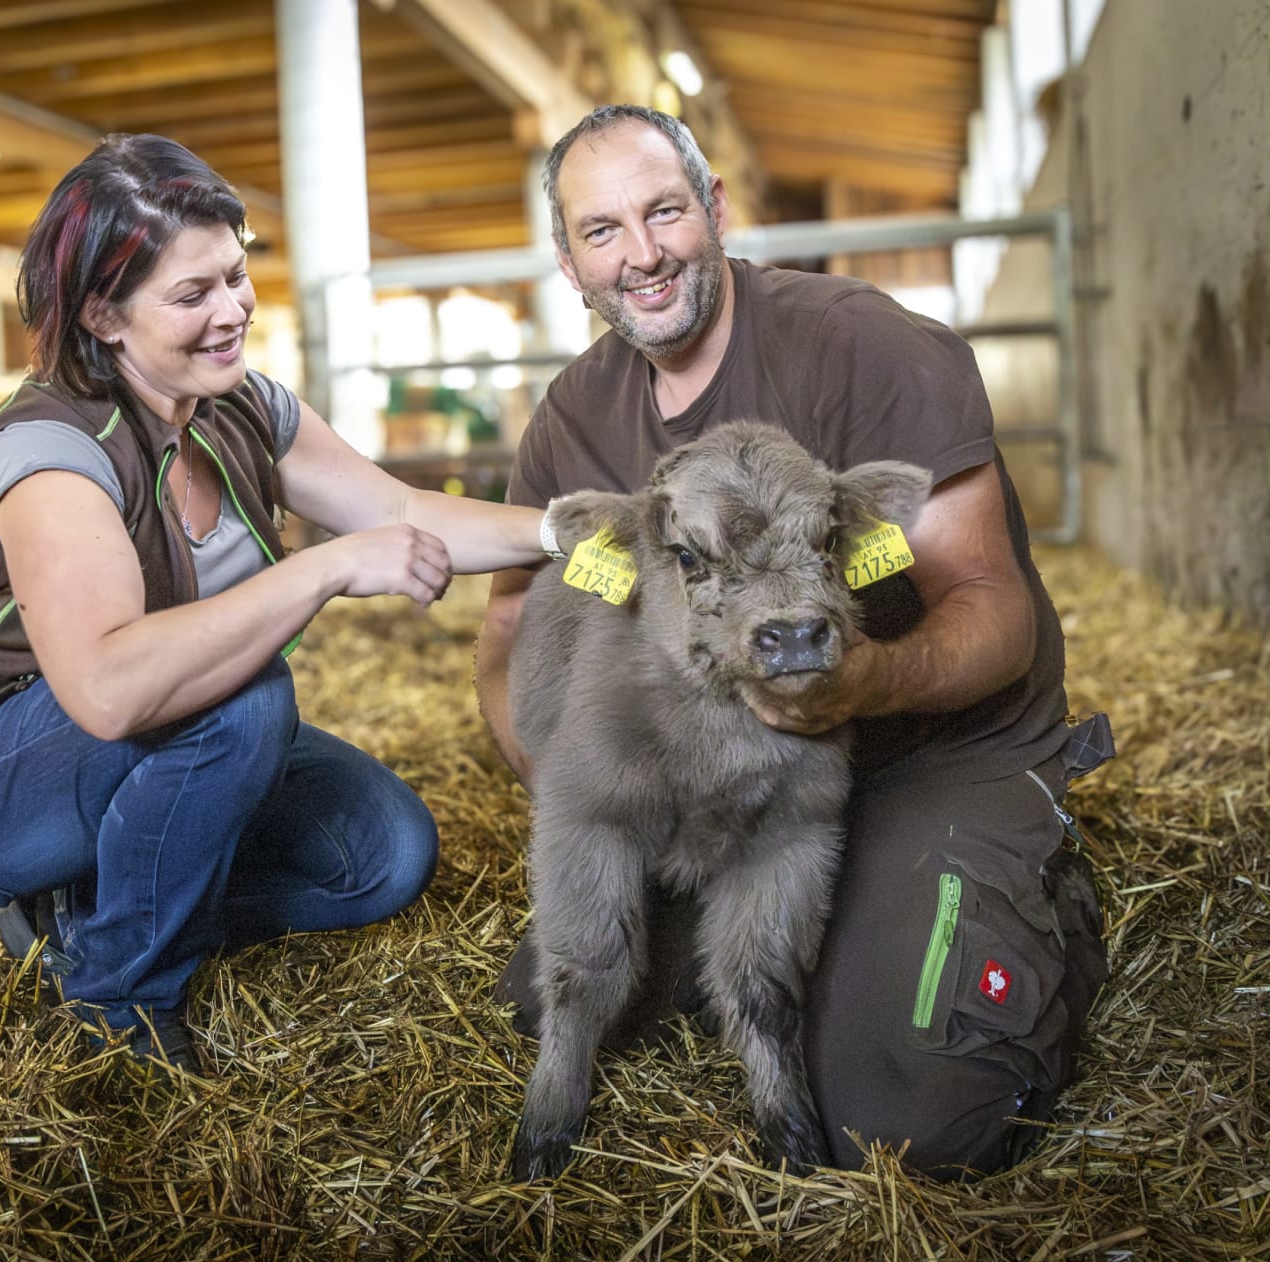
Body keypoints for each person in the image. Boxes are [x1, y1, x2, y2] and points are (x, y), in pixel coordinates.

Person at [475, 105, 1112, 1178]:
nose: (642, 255)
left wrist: (864, 682)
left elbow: (990, 606)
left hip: (922, 747)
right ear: (569, 260)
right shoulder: (574, 416)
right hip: (712, 771)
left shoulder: (864, 346)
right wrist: (568, 774)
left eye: (664, 212)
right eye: (602, 230)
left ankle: (1032, 890)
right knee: (559, 997)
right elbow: (508, 624)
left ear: (715, 209)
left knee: (915, 1115)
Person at [0, 134, 554, 1073]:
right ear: (104, 315)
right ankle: (120, 999)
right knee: (246, 696)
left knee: (383, 857)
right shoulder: (51, 453)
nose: (233, 310)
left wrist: (574, 532)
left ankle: (84, 920)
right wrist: (321, 570)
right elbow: (110, 688)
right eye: (192, 294)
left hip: (133, 740)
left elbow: (403, 512)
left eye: (236, 276)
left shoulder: (239, 406)